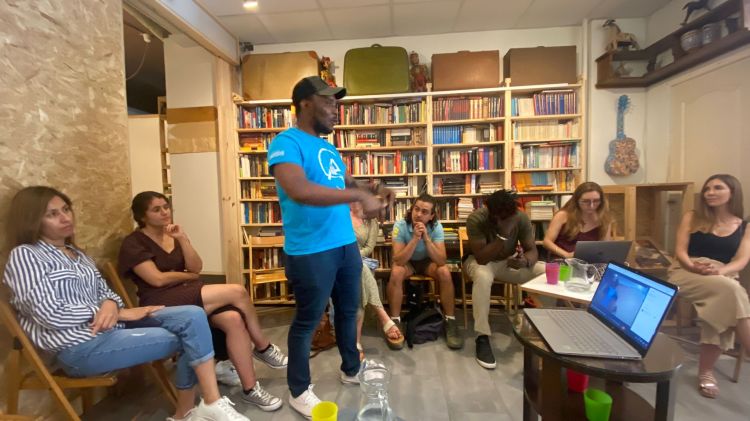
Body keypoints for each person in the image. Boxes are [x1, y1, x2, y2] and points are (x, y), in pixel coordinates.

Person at [2, 186, 249, 421]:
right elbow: (48, 314)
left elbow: (106, 293)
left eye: (66, 209)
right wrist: (117, 313)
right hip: (79, 347)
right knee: (192, 336)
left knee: (193, 315)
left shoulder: (77, 254)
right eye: (52, 214)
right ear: (32, 220)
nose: (65, 217)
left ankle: (199, 407)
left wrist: (111, 305)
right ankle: (195, 410)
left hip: (113, 330)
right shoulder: (26, 255)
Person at [268, 75, 392, 418]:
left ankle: (351, 369)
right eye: (328, 102)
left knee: (349, 311)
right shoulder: (286, 142)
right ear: (305, 103)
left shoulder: (329, 148)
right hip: (310, 251)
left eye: (337, 104)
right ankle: (299, 391)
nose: (336, 110)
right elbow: (300, 191)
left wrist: (375, 189)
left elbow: (348, 183)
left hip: (344, 245)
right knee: (307, 322)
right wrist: (358, 197)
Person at [118, 191, 285, 412]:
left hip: (185, 291)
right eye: (156, 209)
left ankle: (251, 389)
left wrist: (182, 239)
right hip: (159, 301)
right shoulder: (134, 242)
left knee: (233, 318)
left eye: (166, 206)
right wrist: (187, 276)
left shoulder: (173, 235)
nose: (165, 212)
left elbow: (196, 267)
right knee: (237, 291)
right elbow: (156, 280)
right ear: (142, 216)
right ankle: (263, 347)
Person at [668, 174, 750, 399]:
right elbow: (680, 251)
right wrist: (694, 267)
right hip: (686, 271)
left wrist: (719, 272)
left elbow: (742, 260)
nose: (710, 193)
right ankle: (708, 371)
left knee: (725, 298)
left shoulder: (744, 226)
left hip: (722, 274)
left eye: (718, 188)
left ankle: (706, 371)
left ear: (732, 192)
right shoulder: (693, 217)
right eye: (707, 189)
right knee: (732, 292)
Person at [464, 190, 545, 369]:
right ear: (489, 210)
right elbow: (482, 258)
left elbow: (532, 250)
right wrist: (503, 235)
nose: (501, 221)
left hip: (508, 263)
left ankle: (549, 327)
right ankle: (482, 336)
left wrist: (525, 261)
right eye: (497, 218)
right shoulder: (476, 219)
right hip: (480, 262)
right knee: (483, 277)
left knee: (545, 271)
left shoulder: (520, 218)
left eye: (506, 218)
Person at [386, 193, 463, 350]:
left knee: (444, 271)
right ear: (412, 209)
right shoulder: (400, 225)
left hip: (428, 262)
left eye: (424, 212)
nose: (419, 214)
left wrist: (426, 239)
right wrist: (415, 239)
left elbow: (441, 260)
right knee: (396, 272)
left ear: (431, 216)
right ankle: (394, 321)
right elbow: (398, 260)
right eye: (416, 209)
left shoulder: (436, 227)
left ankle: (450, 320)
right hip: (408, 262)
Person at [350, 201, 404, 354]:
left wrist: (354, 256)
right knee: (361, 268)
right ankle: (384, 317)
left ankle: (356, 342)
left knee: (360, 273)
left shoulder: (372, 222)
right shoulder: (341, 214)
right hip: (338, 258)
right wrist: (349, 255)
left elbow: (369, 248)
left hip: (358, 262)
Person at [543, 182, 613, 259]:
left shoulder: (604, 219)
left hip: (589, 261)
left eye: (596, 201)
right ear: (577, 201)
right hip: (562, 260)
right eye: (586, 201)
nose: (592, 206)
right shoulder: (562, 215)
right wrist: (566, 255)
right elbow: (547, 242)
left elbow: (605, 247)